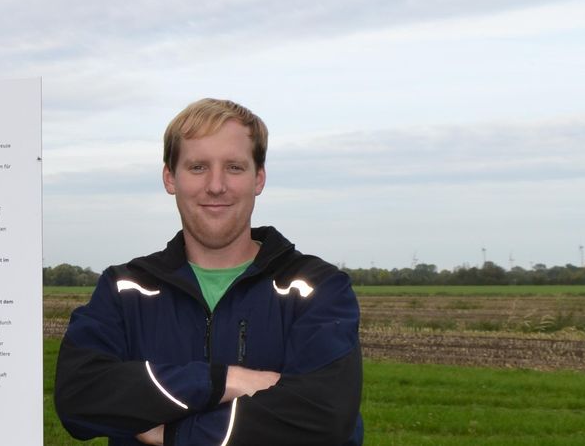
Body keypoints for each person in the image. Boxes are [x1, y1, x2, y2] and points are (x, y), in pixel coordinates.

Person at [55, 99, 363, 445]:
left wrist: (176, 434)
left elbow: (324, 416)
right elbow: (80, 395)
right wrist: (225, 381)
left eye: (234, 167)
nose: (216, 186)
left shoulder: (316, 288)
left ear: (258, 178)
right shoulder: (125, 290)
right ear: (170, 177)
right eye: (198, 167)